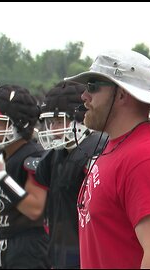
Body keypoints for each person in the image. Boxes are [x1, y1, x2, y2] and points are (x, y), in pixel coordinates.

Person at [66, 49, 150, 268]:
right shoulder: (120, 146)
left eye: (93, 86)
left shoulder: (146, 158)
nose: (84, 96)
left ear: (122, 94)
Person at [36, 81, 107, 268]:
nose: (53, 129)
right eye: (50, 122)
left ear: (79, 118)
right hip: (62, 252)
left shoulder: (97, 151)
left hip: (90, 253)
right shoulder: (53, 157)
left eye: (59, 121)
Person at [0, 84, 50, 268]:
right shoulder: (4, 154)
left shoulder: (32, 156)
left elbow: (34, 209)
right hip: (2, 244)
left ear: (20, 124)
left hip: (27, 247)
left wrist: (2, 177)